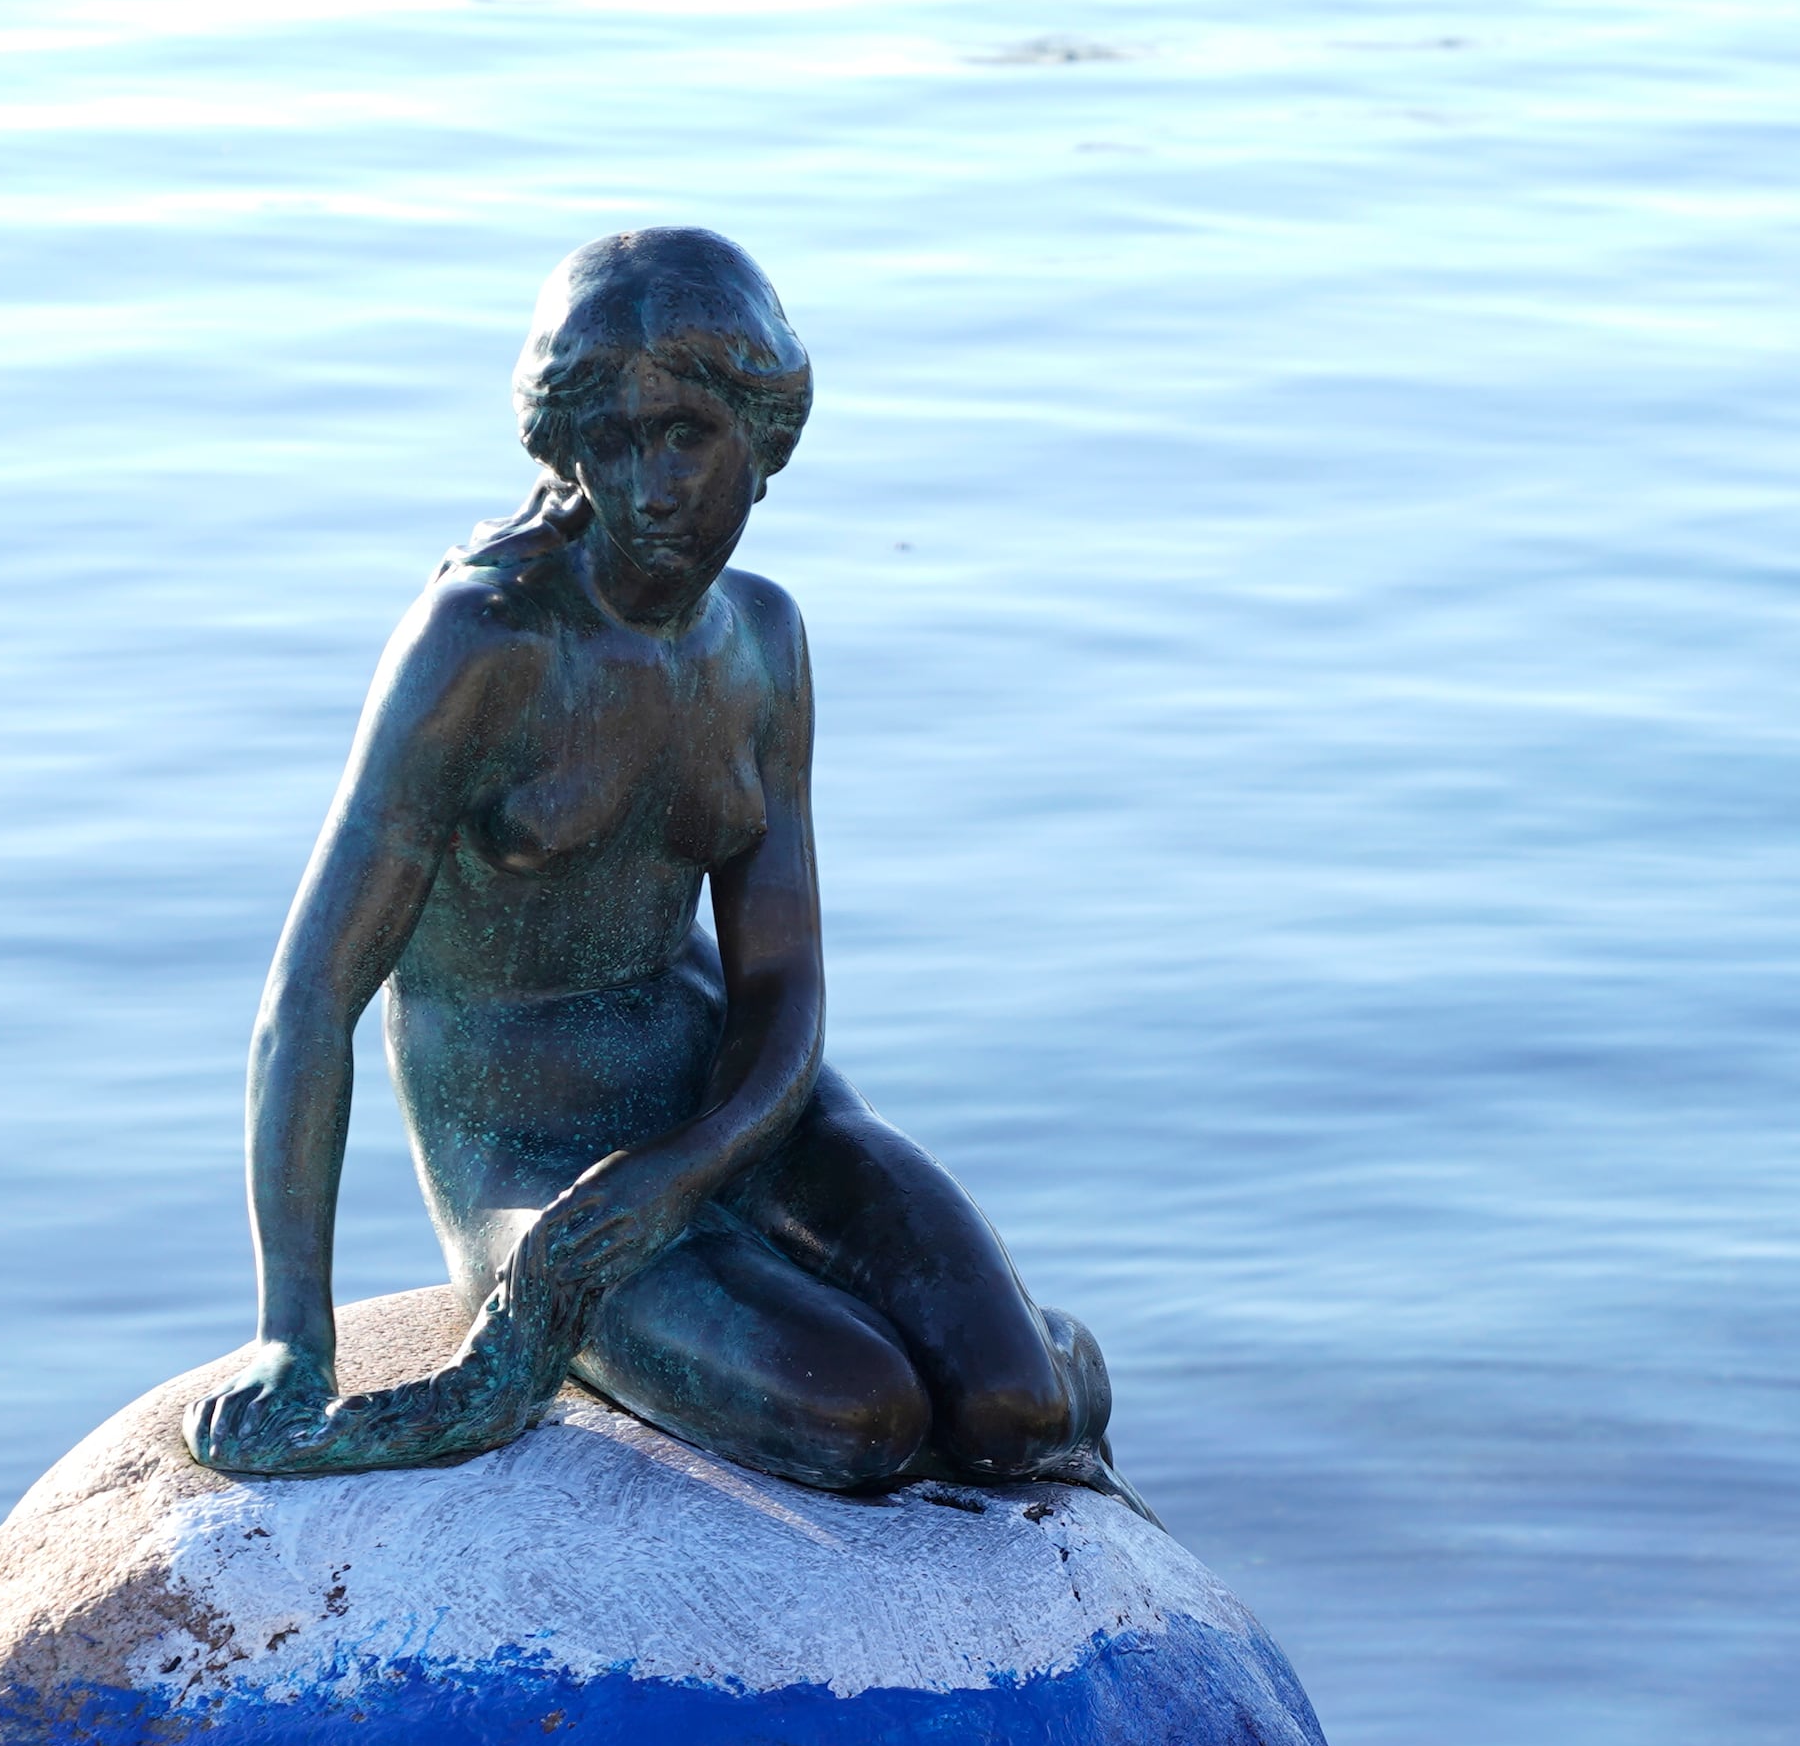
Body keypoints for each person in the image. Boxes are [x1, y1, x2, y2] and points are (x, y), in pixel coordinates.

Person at [182, 230, 1116, 1495]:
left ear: (763, 438)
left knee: (1014, 1406)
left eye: (685, 435)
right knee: (859, 1419)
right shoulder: (483, 647)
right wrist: (295, 1330)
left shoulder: (762, 641)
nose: (652, 487)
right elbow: (307, 1004)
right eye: (612, 445)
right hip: (535, 1157)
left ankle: (1000, 1345)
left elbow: (782, 990)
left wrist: (688, 1166)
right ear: (567, 454)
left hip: (739, 1111)